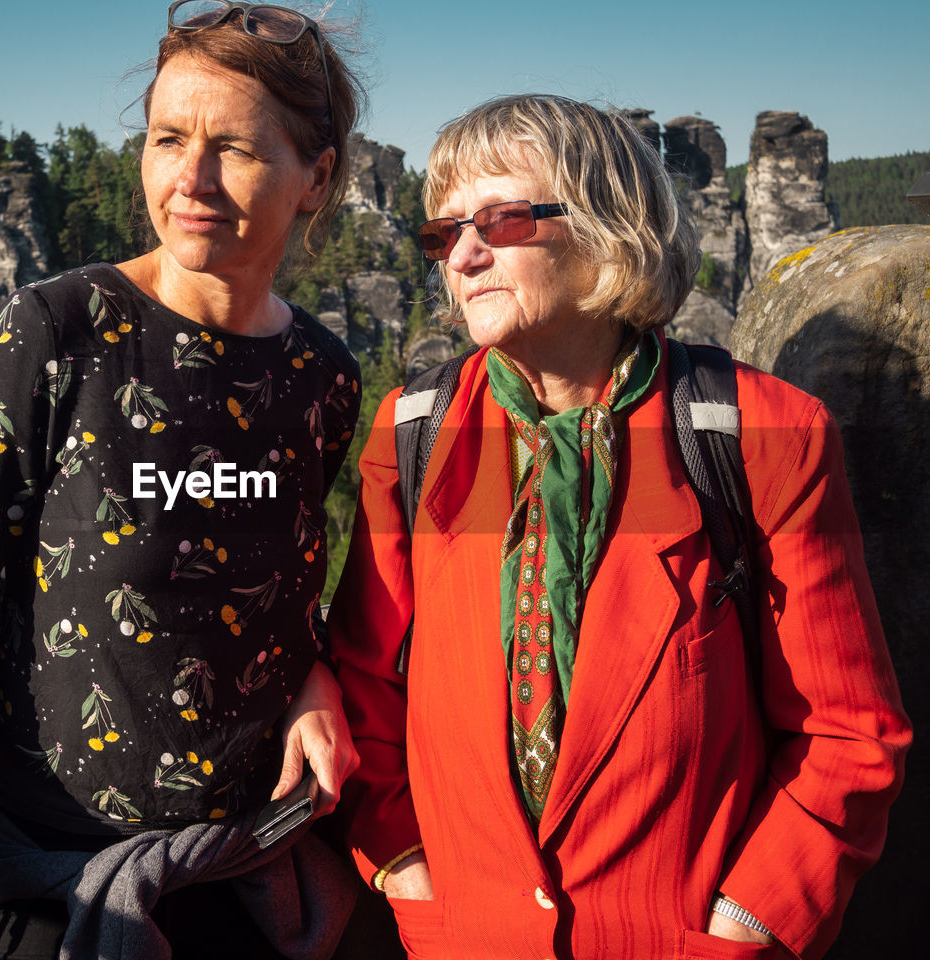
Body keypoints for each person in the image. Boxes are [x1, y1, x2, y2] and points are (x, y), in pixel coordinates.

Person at [328, 94, 910, 960]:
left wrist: (749, 927)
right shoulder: (417, 430)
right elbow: (362, 690)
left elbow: (846, 734)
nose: (465, 254)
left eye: (503, 219)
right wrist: (408, 873)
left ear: (609, 224)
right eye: (442, 234)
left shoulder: (758, 434)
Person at [0, 4, 366, 958]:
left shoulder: (322, 374)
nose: (191, 178)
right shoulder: (59, 332)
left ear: (318, 179)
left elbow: (269, 578)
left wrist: (313, 674)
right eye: (168, 138)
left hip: (242, 868)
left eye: (235, 148)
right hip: (48, 877)